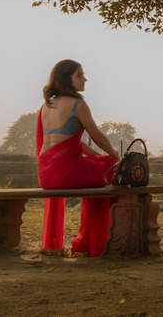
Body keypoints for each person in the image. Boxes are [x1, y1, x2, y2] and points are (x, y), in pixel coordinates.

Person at [35, 59, 120, 256]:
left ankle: (91, 238)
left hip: (46, 174)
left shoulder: (47, 105)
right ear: (67, 79)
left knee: (103, 164)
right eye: (79, 75)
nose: (85, 79)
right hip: (66, 172)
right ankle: (97, 240)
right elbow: (97, 136)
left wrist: (101, 157)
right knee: (113, 173)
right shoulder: (77, 103)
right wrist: (116, 158)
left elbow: (71, 143)